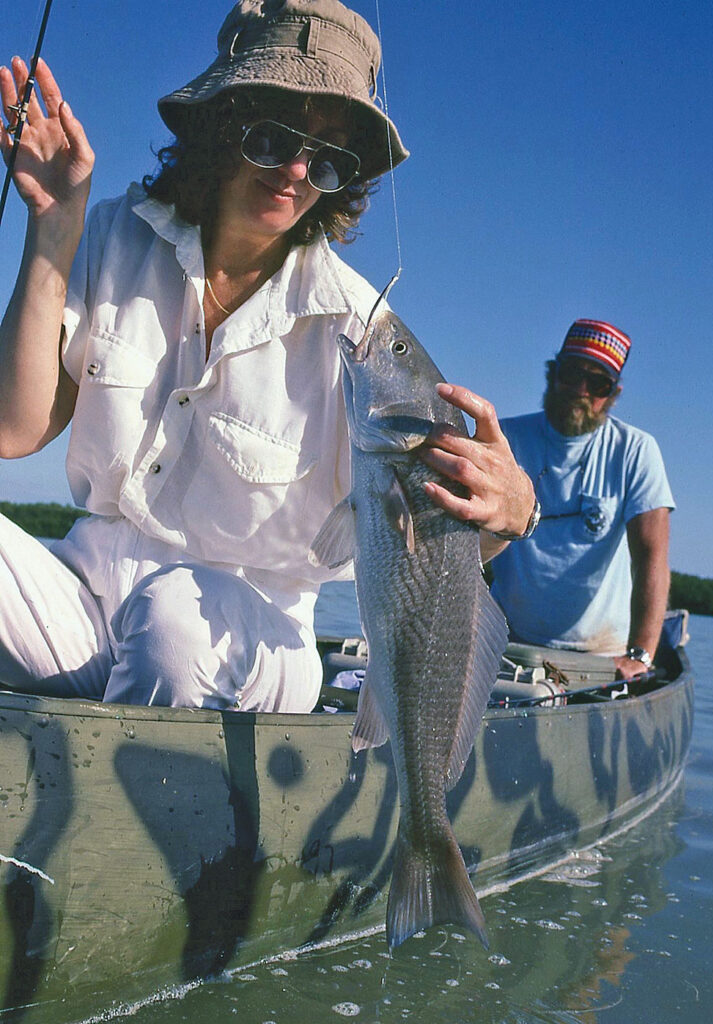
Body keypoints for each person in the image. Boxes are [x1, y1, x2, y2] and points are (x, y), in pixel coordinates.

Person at [0, 0, 535, 711]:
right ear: (221, 125)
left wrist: (511, 512)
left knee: (174, 623)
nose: (295, 171)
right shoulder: (110, 234)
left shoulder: (363, 333)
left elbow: (425, 537)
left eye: (329, 158)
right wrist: (52, 226)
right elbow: (15, 429)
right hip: (82, 606)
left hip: (252, 645)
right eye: (271, 137)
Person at [489, 319, 675, 679]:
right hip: (505, 644)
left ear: (614, 393)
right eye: (572, 374)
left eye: (598, 383)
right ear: (552, 373)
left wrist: (640, 655)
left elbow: (652, 557)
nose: (581, 390)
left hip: (601, 657)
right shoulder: (505, 438)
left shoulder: (636, 450)